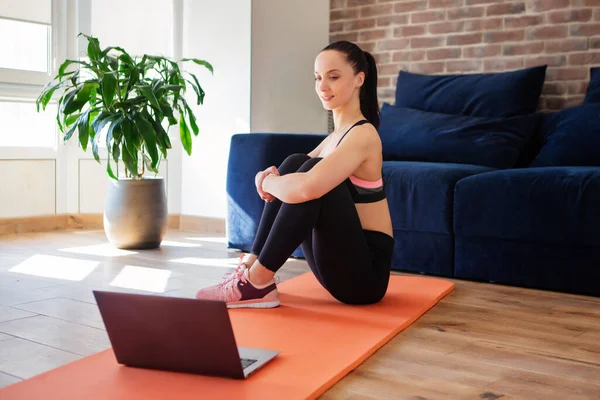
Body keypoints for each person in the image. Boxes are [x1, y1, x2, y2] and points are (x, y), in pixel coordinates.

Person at [195, 40, 394, 308]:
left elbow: (305, 189)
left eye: (333, 77)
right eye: (318, 78)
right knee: (296, 162)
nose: (322, 87)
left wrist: (269, 181)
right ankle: (254, 265)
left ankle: (259, 280)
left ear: (359, 79)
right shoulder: (336, 137)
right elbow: (294, 175)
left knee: (310, 175)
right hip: (339, 266)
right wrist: (269, 178)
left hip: (365, 278)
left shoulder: (363, 135)